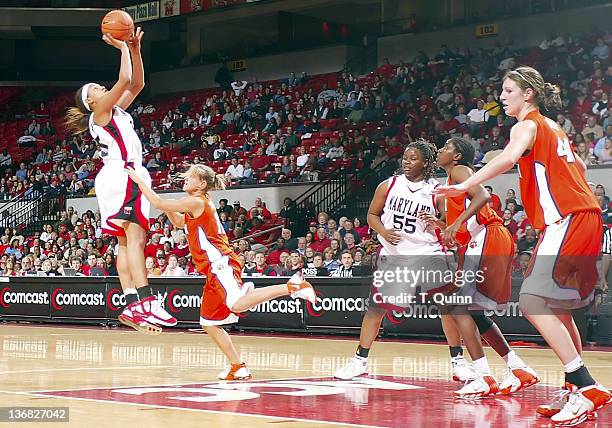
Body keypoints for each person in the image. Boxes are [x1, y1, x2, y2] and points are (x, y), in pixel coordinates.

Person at [435, 66, 611, 424]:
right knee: (559, 308)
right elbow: (579, 163)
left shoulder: (526, 125)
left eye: (508, 90)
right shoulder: (554, 127)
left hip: (568, 218)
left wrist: (458, 188)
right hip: (582, 217)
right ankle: (574, 389)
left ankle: (586, 385)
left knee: (531, 301)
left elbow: (507, 158)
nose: (502, 96)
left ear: (527, 94)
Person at [126, 163, 316, 380]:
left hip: (220, 263)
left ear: (202, 184)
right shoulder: (193, 206)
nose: (186, 179)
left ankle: (293, 286)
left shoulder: (197, 201)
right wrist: (165, 205)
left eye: (191, 177)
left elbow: (158, 202)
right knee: (209, 323)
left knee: (236, 305)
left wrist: (141, 182)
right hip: (212, 269)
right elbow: (178, 220)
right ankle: (237, 366)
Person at [64, 28, 175, 334]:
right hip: (124, 174)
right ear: (90, 102)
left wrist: (136, 49)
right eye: (96, 88)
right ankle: (146, 302)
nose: (102, 88)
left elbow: (137, 82)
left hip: (116, 176)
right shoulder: (100, 112)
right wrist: (121, 47)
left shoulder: (114, 112)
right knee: (136, 239)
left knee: (126, 241)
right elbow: (124, 79)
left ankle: (131, 303)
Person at [334, 141, 456, 380]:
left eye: (413, 159)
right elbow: (371, 215)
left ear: (425, 163)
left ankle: (458, 359)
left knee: (447, 306)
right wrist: (384, 231)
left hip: (427, 252)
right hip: (394, 255)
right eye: (405, 158)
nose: (406, 162)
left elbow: (448, 224)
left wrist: (437, 221)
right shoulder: (388, 185)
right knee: (375, 309)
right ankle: (360, 360)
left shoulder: (435, 190)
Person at [435, 137, 539, 399]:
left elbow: (483, 196)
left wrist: (455, 223)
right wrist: (440, 225)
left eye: (446, 147)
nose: (440, 150)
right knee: (475, 313)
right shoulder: (452, 182)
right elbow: (461, 232)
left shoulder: (459, 171)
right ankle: (517, 367)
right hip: (485, 238)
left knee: (456, 305)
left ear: (457, 156)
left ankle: (483, 377)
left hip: (488, 236)